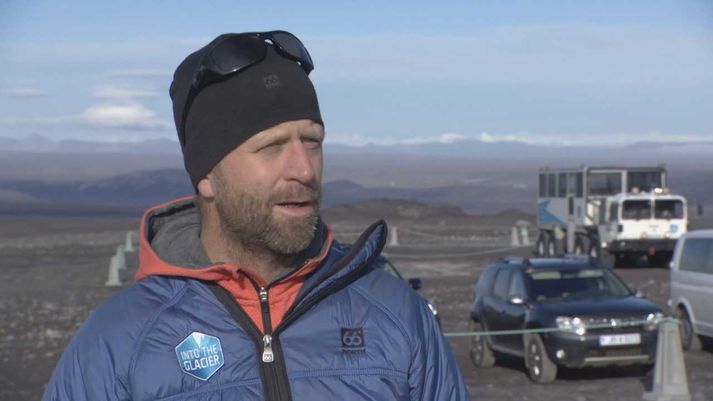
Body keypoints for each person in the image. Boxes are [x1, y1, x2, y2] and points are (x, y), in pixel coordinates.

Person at [42, 30, 468, 401]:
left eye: (312, 141)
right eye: (271, 147)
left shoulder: (398, 317)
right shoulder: (120, 340)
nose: (304, 169)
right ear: (207, 176)